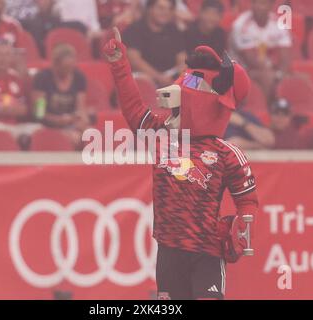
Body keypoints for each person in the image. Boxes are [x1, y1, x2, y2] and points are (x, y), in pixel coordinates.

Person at [104, 28, 258, 300]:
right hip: (169, 250)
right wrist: (120, 64)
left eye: (194, 84)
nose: (182, 88)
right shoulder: (162, 134)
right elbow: (133, 109)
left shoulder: (226, 153)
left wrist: (242, 229)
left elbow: (246, 197)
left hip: (206, 252)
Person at [32, 44, 90, 150]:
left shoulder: (79, 78)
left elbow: (80, 108)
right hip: (47, 125)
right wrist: (58, 121)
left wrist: (81, 121)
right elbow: (39, 113)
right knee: (69, 138)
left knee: (90, 134)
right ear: (55, 65)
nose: (68, 72)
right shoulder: (42, 79)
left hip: (70, 123)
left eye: (71, 68)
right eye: (65, 68)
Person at [231, 0, 291, 101]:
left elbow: (285, 54)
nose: (260, 7)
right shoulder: (241, 24)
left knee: (297, 79)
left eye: (264, 3)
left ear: (271, 5)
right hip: (240, 67)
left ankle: (282, 111)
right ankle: (266, 110)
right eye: (257, 3)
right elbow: (250, 59)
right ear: (252, 5)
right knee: (266, 77)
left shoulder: (278, 23)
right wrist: (272, 74)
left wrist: (280, 74)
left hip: (268, 68)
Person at [122, 0, 186, 87]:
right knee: (144, 82)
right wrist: (159, 77)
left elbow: (182, 58)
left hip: (171, 77)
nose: (166, 12)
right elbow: (135, 61)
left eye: (170, 9)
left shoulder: (173, 30)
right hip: (145, 77)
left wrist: (183, 74)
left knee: (198, 81)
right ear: (149, 9)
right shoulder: (134, 29)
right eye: (161, 8)